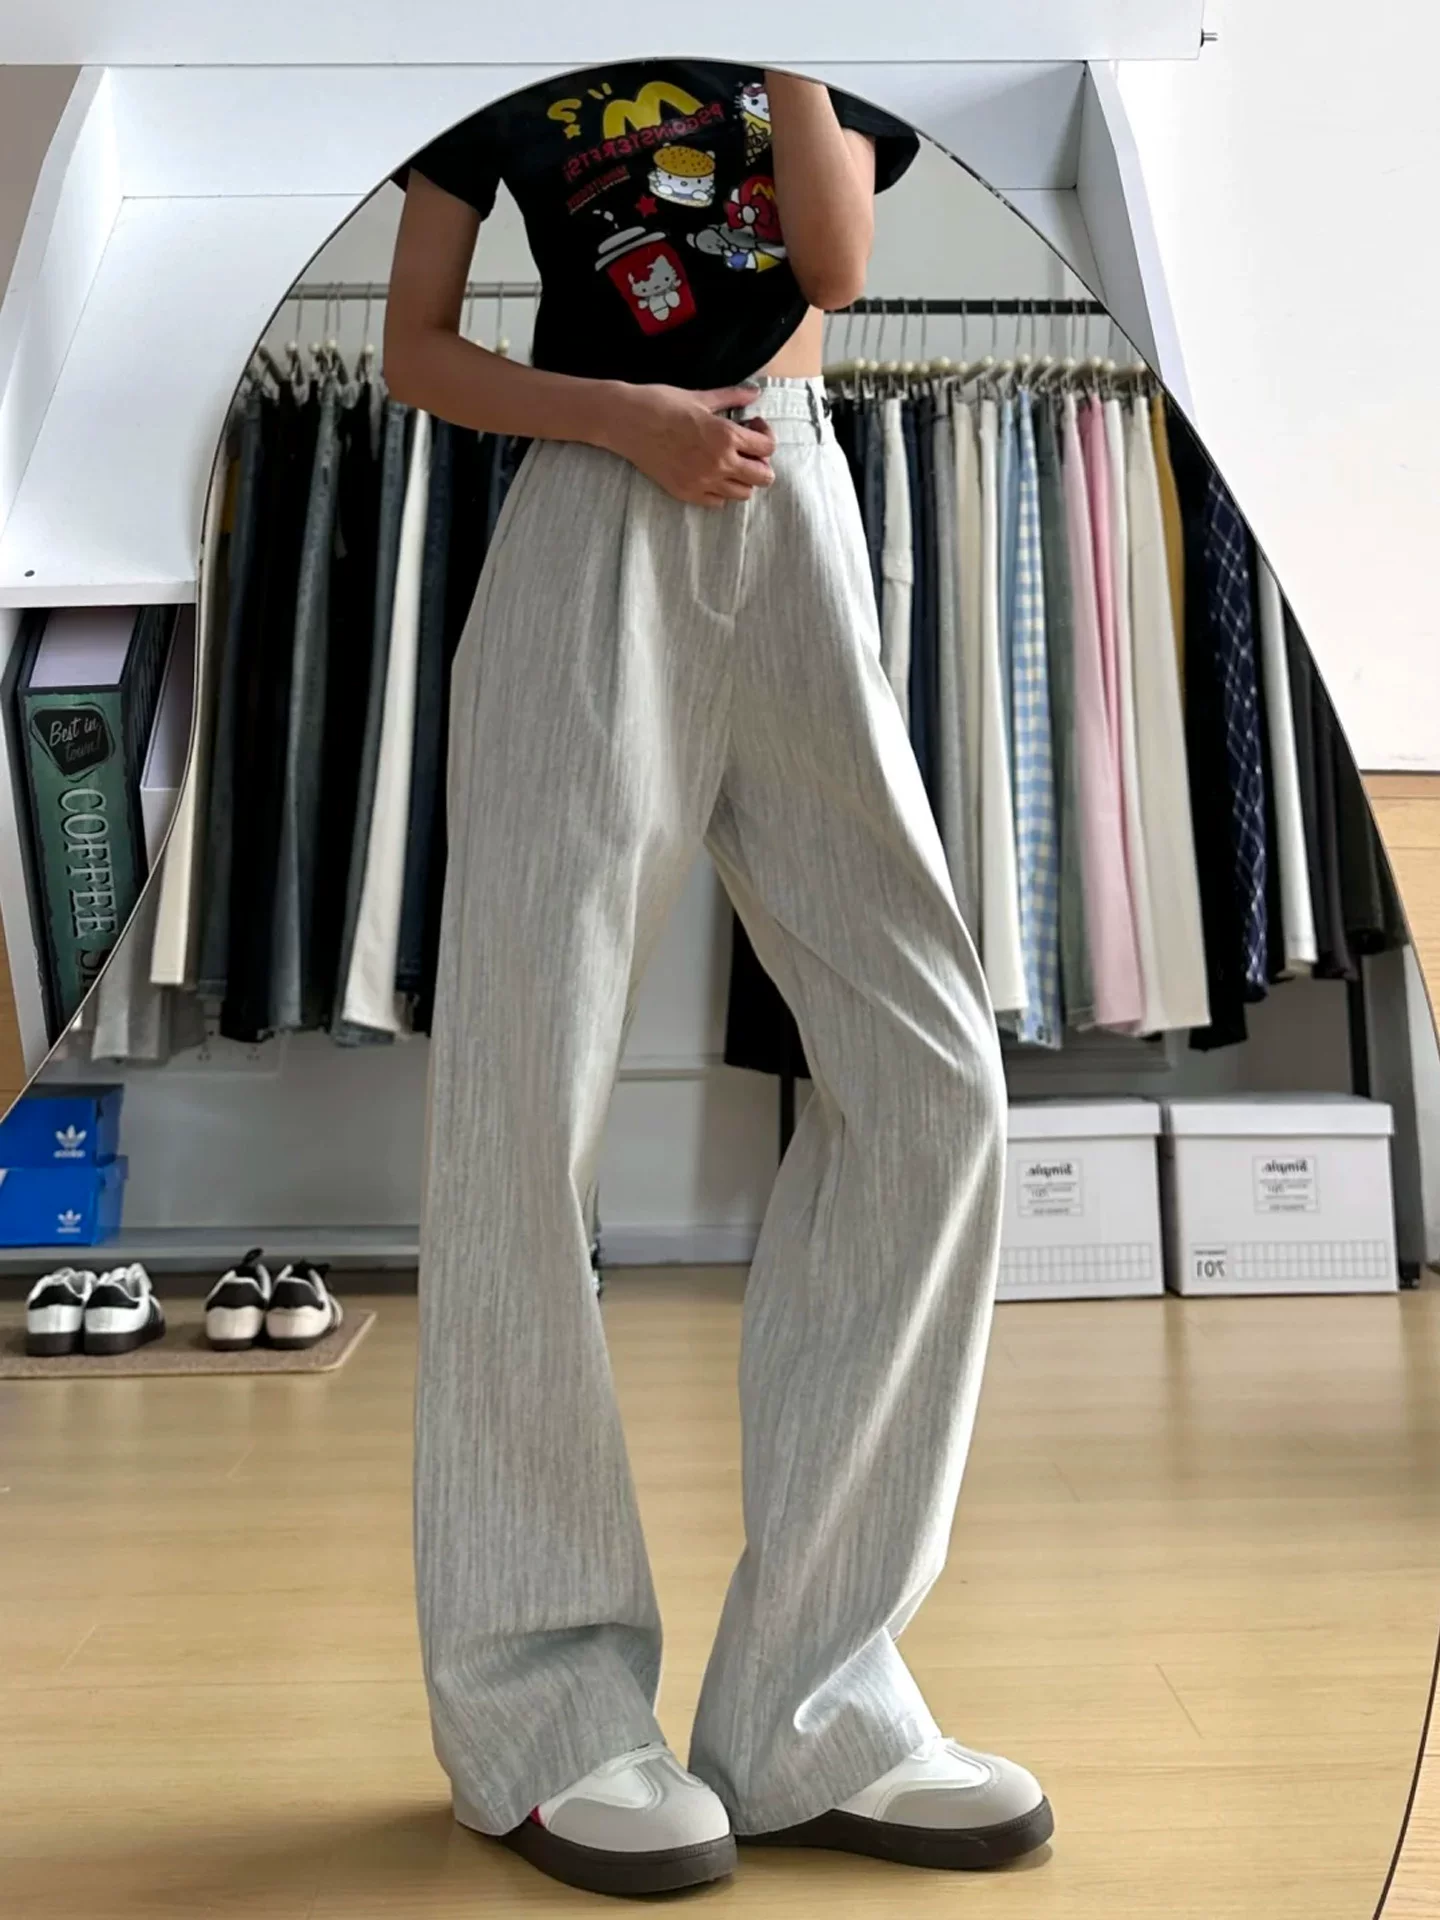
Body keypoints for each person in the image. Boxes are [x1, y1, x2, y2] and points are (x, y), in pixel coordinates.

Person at [385, 59, 1053, 1898]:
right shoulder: (495, 54)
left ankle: (814, 1704)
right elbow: (416, 351)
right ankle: (538, 1711)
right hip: (589, 523)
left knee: (931, 1082)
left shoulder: (839, 54)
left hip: (800, 508)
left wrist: (791, 44)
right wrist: (622, 417)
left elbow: (832, 270)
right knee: (522, 1105)